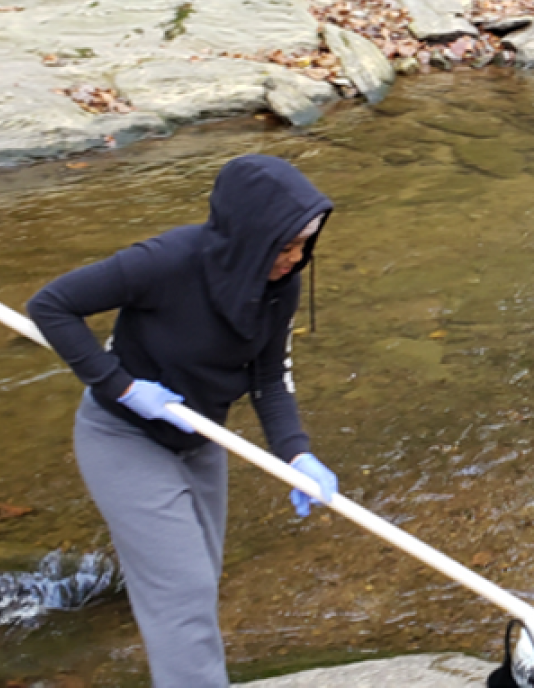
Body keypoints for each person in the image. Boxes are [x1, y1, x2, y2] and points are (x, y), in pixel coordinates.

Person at [27, 154, 339, 688]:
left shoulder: (278, 285)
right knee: (183, 591)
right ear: (249, 235)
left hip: (200, 439)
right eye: (285, 246)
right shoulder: (164, 262)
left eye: (304, 245)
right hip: (123, 436)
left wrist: (296, 453)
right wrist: (121, 386)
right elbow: (51, 305)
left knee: (199, 581)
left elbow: (269, 379)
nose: (295, 258)